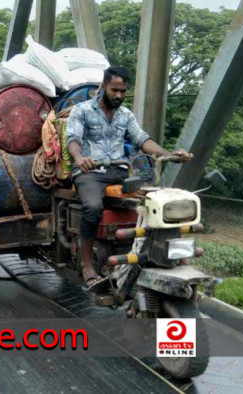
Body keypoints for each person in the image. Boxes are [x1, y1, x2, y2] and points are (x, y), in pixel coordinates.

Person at [65, 66, 191, 292]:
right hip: (90, 173)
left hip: (119, 171)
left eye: (123, 91)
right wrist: (80, 157)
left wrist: (169, 154)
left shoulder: (126, 115)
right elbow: (73, 139)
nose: (119, 96)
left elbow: (142, 139)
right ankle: (87, 266)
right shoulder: (82, 111)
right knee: (92, 208)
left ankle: (164, 255)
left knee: (153, 203)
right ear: (103, 86)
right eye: (115, 90)